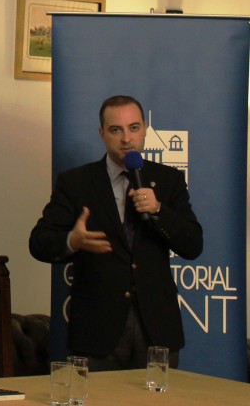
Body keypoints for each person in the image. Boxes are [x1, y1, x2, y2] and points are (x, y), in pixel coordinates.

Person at [29, 95, 203, 371]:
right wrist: (72, 241)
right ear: (102, 134)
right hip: (97, 329)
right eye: (115, 130)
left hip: (156, 329)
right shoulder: (76, 182)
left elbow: (193, 245)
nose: (126, 139)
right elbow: (39, 242)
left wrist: (159, 210)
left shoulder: (168, 180)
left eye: (134, 128)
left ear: (145, 129)